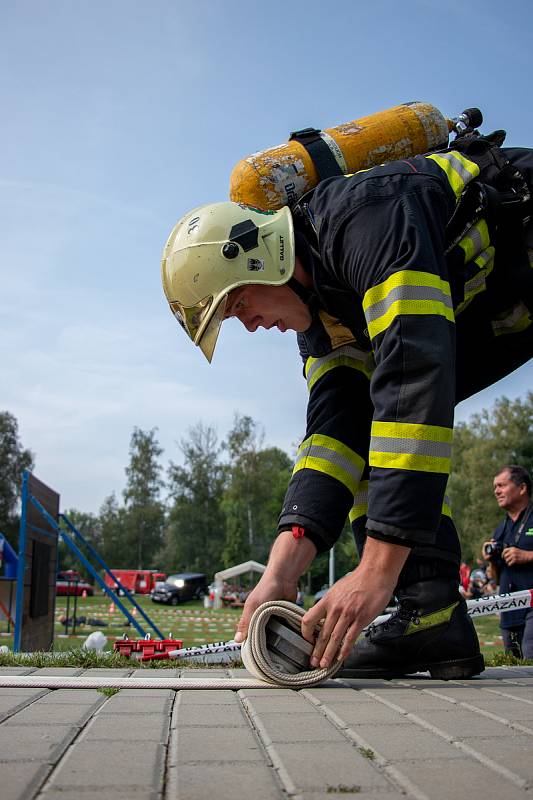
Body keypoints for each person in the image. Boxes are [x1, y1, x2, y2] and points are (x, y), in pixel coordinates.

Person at [161, 130, 533, 679]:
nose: (248, 323)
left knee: (399, 404)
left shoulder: (367, 221)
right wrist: (283, 569)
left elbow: (415, 374)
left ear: (262, 257)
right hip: (513, 301)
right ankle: (429, 615)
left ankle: (409, 590)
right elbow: (333, 439)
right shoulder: (323, 322)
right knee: (361, 424)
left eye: (238, 303)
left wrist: (375, 569)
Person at [483, 465, 533, 658]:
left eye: (502, 485)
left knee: (529, 662)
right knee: (512, 669)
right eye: (495, 487)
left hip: (531, 605)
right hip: (508, 608)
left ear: (522, 488)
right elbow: (494, 577)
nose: (496, 491)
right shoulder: (501, 528)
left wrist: (527, 556)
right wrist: (491, 561)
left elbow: (524, 556)